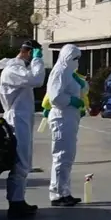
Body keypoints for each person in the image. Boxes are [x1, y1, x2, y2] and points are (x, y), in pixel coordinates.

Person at [0, 39, 47, 219]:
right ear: (28, 52)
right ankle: (15, 203)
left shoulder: (18, 69)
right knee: (21, 161)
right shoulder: (13, 71)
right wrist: (38, 60)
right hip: (17, 120)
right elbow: (37, 80)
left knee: (24, 161)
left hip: (22, 119)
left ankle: (19, 200)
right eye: (34, 54)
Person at [45, 44, 87, 207]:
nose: (76, 62)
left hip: (70, 117)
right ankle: (57, 193)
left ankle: (65, 191)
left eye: (78, 58)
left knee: (68, 156)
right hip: (61, 118)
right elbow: (55, 97)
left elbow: (81, 90)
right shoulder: (60, 72)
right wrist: (72, 101)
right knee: (61, 155)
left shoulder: (69, 73)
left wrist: (81, 83)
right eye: (74, 58)